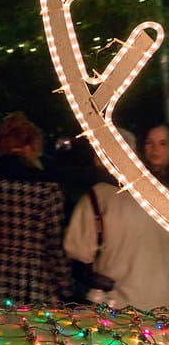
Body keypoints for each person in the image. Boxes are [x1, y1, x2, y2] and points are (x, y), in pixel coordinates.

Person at [0, 111, 70, 305]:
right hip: (34, 280)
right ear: (30, 147)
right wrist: (65, 285)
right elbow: (54, 245)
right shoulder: (47, 187)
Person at [64, 131, 169, 310]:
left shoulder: (96, 197)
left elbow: (78, 253)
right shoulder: (160, 195)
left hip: (114, 307)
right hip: (162, 306)